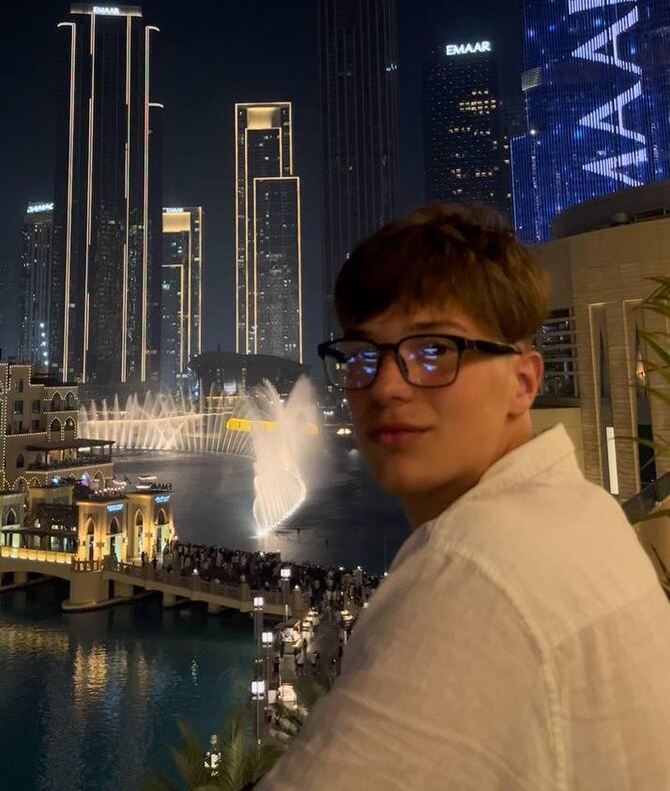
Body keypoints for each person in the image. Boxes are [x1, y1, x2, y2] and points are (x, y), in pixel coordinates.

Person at [256, 203, 670, 789]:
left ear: (523, 381)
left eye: (433, 352)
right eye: (362, 356)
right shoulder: (584, 512)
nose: (386, 386)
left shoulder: (471, 574)